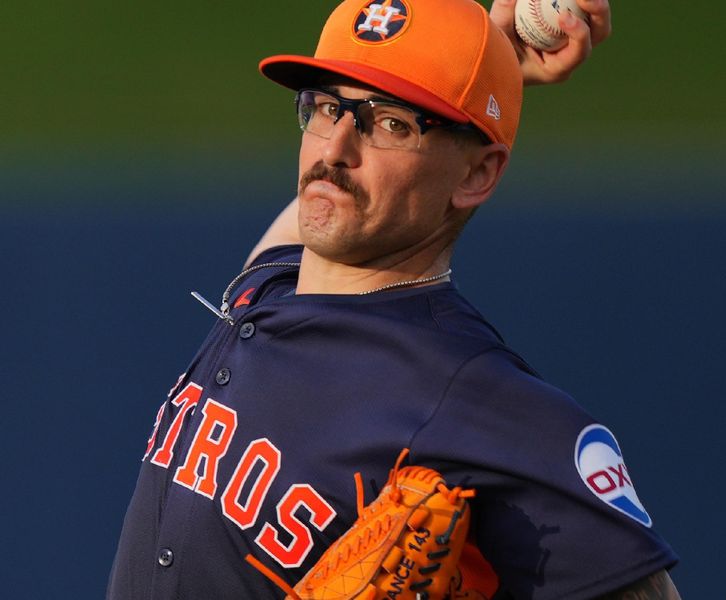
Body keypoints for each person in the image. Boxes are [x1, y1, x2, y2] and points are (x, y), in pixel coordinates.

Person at [108, 0, 682, 598]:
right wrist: (495, 57)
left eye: (390, 124)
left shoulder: (481, 403)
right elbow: (327, 199)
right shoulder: (270, 287)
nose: (335, 150)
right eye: (328, 108)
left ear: (476, 174)